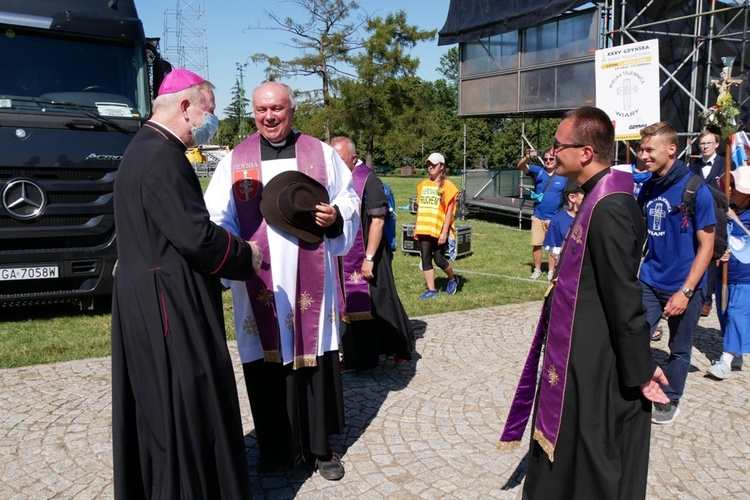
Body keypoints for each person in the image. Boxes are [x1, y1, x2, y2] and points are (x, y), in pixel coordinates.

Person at [499, 106, 668, 499]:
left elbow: (624, 297)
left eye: (558, 145)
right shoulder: (596, 196)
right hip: (579, 348)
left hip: (597, 363)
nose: (552, 153)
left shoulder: (608, 207)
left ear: (586, 153)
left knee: (592, 452)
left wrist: (641, 369)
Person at [111, 69, 260, 498]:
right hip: (166, 301)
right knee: (183, 394)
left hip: (149, 292)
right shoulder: (162, 155)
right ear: (184, 107)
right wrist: (244, 255)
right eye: (207, 112)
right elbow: (196, 236)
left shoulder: (144, 148)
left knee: (164, 401)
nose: (209, 122)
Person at [204, 81, 360, 481]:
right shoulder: (235, 161)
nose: (269, 117)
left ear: (291, 109)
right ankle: (273, 450)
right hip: (260, 281)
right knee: (266, 363)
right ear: (253, 113)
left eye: (277, 108)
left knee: (314, 360)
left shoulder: (320, 153)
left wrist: (335, 216)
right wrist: (233, 251)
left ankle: (321, 449)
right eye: (261, 110)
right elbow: (215, 217)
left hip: (312, 278)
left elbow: (349, 198)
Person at [637, 121, 716, 425]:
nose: (643, 154)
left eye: (649, 149)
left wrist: (685, 292)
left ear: (671, 149)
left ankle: (671, 399)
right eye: (642, 149)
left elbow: (706, 248)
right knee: (636, 335)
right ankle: (639, 383)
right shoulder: (650, 184)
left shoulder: (696, 189)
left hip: (684, 286)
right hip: (649, 280)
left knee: (679, 349)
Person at [331, 136, 415, 371]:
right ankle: (354, 356)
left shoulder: (368, 180)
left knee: (382, 302)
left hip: (372, 254)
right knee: (348, 305)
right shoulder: (338, 180)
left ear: (354, 158)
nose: (334, 164)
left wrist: (368, 258)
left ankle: (400, 346)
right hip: (344, 254)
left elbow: (378, 220)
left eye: (339, 158)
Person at [706, 166, 750, 379]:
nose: (730, 190)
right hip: (724, 272)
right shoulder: (725, 207)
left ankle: (726, 360)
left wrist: (734, 219)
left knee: (735, 313)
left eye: (735, 186)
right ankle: (736, 351)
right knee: (723, 313)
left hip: (745, 277)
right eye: (729, 185)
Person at [689, 129, 736, 317]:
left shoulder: (726, 163)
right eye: (702, 144)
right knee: (696, 251)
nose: (705, 147)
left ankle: (706, 300)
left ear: (716, 144)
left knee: (712, 254)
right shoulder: (693, 165)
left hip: (718, 215)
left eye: (708, 143)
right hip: (698, 213)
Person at [414, 152, 460, 299]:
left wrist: (444, 232)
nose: (431, 167)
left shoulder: (448, 186)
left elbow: (449, 212)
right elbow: (420, 208)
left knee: (439, 260)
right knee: (426, 259)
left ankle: (453, 279)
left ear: (441, 166)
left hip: (439, 230)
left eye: (434, 164)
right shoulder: (422, 185)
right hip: (424, 229)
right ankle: (431, 290)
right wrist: (416, 227)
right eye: (429, 164)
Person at [518, 148, 567, 280]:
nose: (548, 161)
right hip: (538, 216)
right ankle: (537, 270)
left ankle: (551, 271)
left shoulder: (563, 175)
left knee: (553, 247)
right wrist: (527, 157)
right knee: (536, 244)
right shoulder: (538, 171)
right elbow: (520, 166)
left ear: (556, 160)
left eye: (551, 159)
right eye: (545, 159)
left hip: (554, 218)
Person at [542, 178, 584, 276]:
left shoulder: (592, 218)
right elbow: (553, 250)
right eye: (585, 194)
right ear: (572, 197)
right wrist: (552, 272)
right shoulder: (557, 220)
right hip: (564, 273)